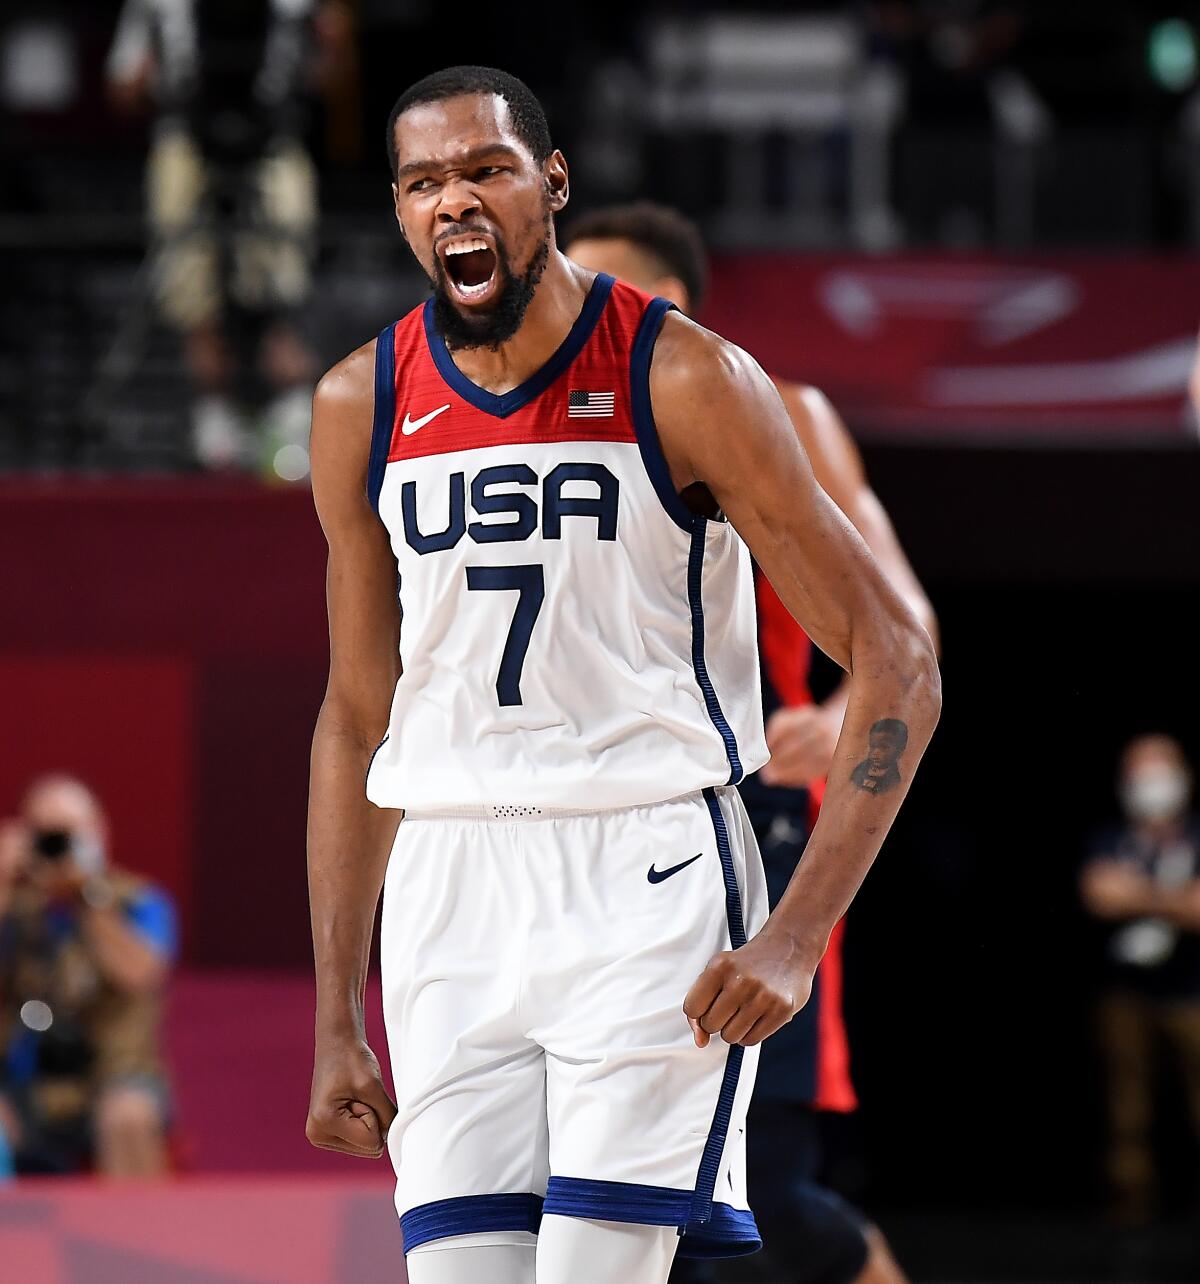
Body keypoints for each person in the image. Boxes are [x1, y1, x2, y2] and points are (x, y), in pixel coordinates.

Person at [304, 65, 940, 1284]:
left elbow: (901, 660)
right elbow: (353, 717)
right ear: (397, 211)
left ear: (550, 183)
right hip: (447, 882)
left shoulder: (692, 376)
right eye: (425, 182)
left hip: (644, 868)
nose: (456, 203)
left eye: (486, 169)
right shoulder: (359, 399)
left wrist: (796, 936)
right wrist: (338, 1009)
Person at [564, 202, 938, 1284]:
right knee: (610, 1180)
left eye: (613, 294)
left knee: (758, 1189)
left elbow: (903, 625)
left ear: (674, 307)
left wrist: (835, 716)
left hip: (746, 817)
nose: (589, 315)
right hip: (592, 827)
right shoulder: (545, 424)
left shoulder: (774, 407)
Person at [105, 0, 338, 472]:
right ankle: (216, 421)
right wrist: (159, 79)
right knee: (192, 289)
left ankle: (292, 412)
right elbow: (123, 88)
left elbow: (327, 79)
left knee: (282, 284)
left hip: (273, 144)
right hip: (186, 144)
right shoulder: (158, 7)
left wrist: (330, 44)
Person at [0, 777, 178, 1178]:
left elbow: (139, 974)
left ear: (97, 833)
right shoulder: (16, 907)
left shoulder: (137, 901)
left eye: (66, 835)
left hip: (114, 1074)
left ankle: (138, 1234)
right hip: (23, 1080)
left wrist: (87, 895)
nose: (54, 848)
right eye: (44, 835)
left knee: (129, 1117)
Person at [1080, 734, 1200, 1224]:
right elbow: (1098, 894)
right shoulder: (1110, 838)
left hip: (1191, 992)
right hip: (1124, 994)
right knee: (1127, 1108)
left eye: (1160, 769)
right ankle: (1131, 1213)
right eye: (1140, 771)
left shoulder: (1194, 836)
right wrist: (1173, 899)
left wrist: (1138, 895)